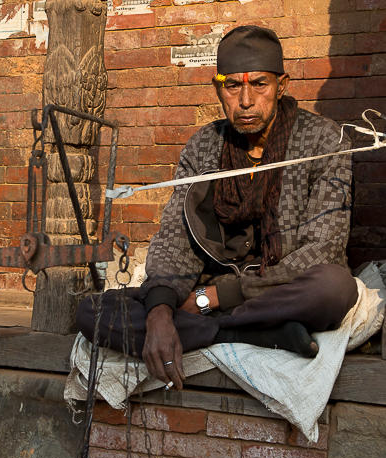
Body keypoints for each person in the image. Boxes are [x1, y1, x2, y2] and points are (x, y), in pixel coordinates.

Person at [77, 25, 358, 390]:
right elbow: (174, 241)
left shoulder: (325, 141)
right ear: (217, 88)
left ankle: (216, 327)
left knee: (335, 288)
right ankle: (257, 334)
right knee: (92, 313)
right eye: (233, 86)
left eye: (259, 84)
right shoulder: (204, 147)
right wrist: (161, 312)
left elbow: (324, 249)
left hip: (277, 288)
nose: (245, 100)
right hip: (215, 291)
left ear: (282, 85)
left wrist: (214, 298)